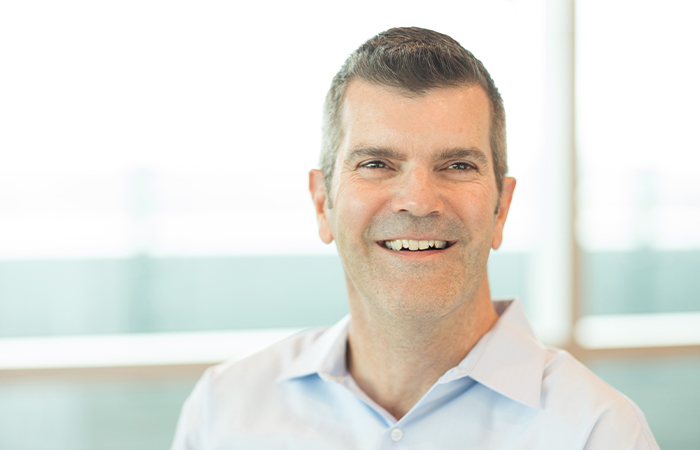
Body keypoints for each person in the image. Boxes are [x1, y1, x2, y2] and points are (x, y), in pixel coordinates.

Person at [171, 27, 658, 450]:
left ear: (501, 208)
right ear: (323, 203)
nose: (418, 200)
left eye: (457, 165)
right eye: (377, 164)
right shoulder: (225, 410)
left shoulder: (598, 434)